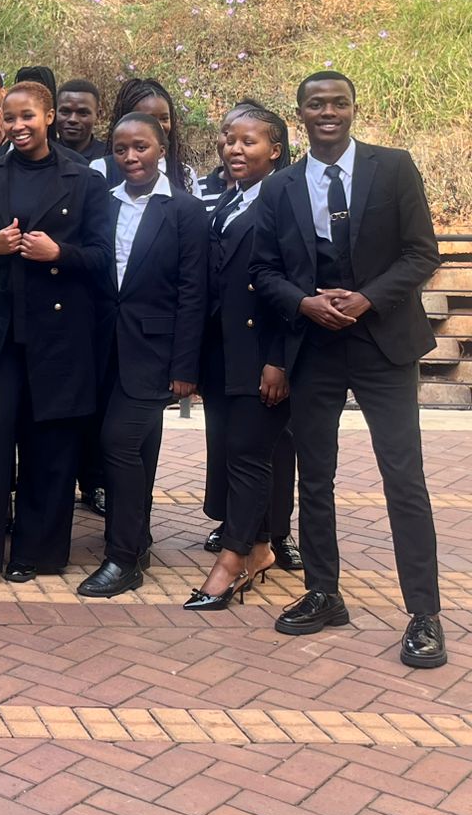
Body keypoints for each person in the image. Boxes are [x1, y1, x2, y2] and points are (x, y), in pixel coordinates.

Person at [250, 71, 446, 668]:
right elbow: (263, 271)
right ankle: (324, 592)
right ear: (302, 114)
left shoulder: (394, 168)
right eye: (317, 104)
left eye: (339, 102)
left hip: (383, 344)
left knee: (403, 477)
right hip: (316, 347)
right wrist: (303, 303)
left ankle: (425, 613)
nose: (328, 112)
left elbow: (422, 252)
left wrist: (367, 299)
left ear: (354, 109)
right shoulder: (280, 186)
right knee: (316, 476)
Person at [0, 81, 115, 589]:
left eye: (28, 116)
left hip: (59, 336)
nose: (18, 125)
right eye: (10, 117)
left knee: (50, 449)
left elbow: (103, 257)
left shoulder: (84, 179)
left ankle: (35, 552)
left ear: (48, 117)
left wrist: (58, 254)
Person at [77, 113, 207, 598]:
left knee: (118, 444)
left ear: (162, 150)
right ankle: (139, 538)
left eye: (141, 147)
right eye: (120, 149)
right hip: (102, 349)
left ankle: (122, 558)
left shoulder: (186, 210)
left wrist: (185, 367)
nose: (130, 157)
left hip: (155, 351)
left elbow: (194, 293)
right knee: (139, 448)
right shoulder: (103, 203)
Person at [186, 105, 293, 610]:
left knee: (249, 456)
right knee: (235, 455)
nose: (234, 149)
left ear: (275, 150)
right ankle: (261, 548)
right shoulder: (230, 199)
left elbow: (293, 286)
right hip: (223, 354)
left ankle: (230, 564)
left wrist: (280, 360)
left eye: (249, 141)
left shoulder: (284, 199)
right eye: (229, 139)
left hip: (260, 354)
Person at [94, 78, 196, 194]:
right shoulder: (102, 169)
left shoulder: (185, 174)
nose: (159, 126)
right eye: (149, 119)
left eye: (164, 119)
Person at [56, 80, 106, 162]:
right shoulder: (42, 155)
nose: (73, 119)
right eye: (65, 112)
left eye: (83, 113)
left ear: (98, 115)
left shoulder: (108, 159)